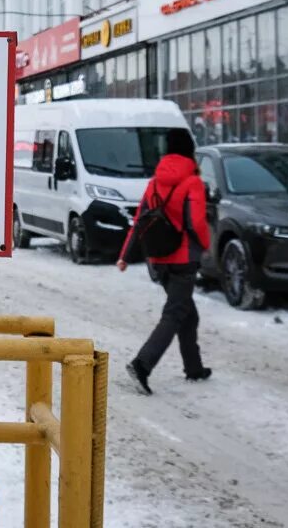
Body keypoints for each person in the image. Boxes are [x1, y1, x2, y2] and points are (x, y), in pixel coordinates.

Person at [116, 128, 212, 395]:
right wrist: (206, 245)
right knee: (174, 313)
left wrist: (125, 255)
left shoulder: (155, 181)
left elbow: (139, 221)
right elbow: (197, 222)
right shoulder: (192, 182)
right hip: (183, 259)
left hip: (158, 258)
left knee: (186, 313)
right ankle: (142, 364)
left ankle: (194, 368)